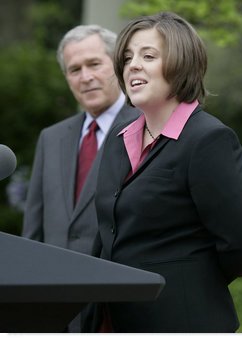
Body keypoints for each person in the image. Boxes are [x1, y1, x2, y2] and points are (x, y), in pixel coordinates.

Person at [91, 12, 242, 333]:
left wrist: (188, 276)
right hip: (113, 320)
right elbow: (108, 232)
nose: (132, 64)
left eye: (148, 56)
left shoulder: (208, 139)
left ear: (181, 64)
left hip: (183, 320)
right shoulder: (119, 138)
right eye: (127, 57)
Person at [22, 24, 140, 332]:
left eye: (94, 64)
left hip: (118, 310)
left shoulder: (146, 127)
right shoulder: (51, 137)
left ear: (117, 65)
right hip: (56, 311)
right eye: (74, 69)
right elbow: (33, 229)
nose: (85, 77)